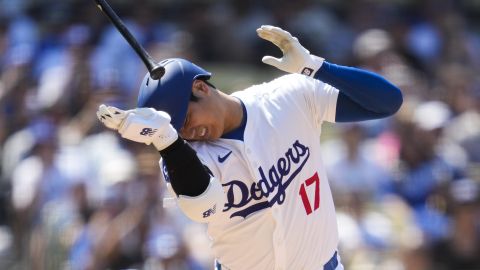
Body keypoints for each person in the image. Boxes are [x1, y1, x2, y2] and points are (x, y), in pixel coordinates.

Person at [96, 25, 403, 270]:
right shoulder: (182, 157)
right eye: (178, 130)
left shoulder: (287, 97)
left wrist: (315, 67)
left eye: (186, 119)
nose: (188, 132)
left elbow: (388, 102)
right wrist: (166, 140)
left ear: (200, 87)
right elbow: (203, 206)